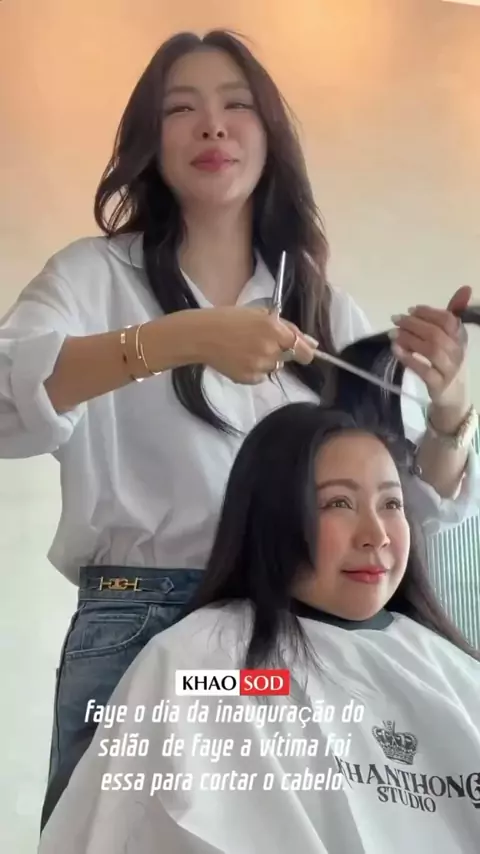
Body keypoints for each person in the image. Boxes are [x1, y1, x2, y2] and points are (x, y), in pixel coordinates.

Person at [0, 28, 478, 826]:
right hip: (144, 623)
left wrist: (453, 406)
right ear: (151, 141)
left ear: (270, 135)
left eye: (236, 106)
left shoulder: (323, 309)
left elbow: (411, 510)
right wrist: (178, 339)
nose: (212, 126)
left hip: (288, 637)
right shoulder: (91, 276)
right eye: (180, 109)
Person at [37, 400, 480, 854]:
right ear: (273, 517)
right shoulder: (205, 664)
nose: (377, 534)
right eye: (338, 503)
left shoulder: (450, 672)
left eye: (391, 503)